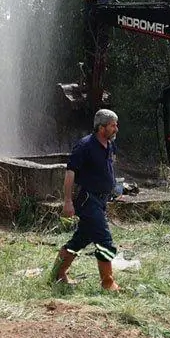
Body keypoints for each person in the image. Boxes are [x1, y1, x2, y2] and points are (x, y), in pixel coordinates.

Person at [51, 109, 122, 292]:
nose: (116, 129)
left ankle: (58, 274)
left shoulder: (109, 145)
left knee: (80, 240)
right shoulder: (85, 146)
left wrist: (113, 188)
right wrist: (67, 202)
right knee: (105, 241)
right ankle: (108, 283)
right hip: (87, 200)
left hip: (101, 200)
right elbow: (70, 173)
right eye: (113, 125)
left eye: (116, 125)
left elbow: (106, 170)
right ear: (101, 127)